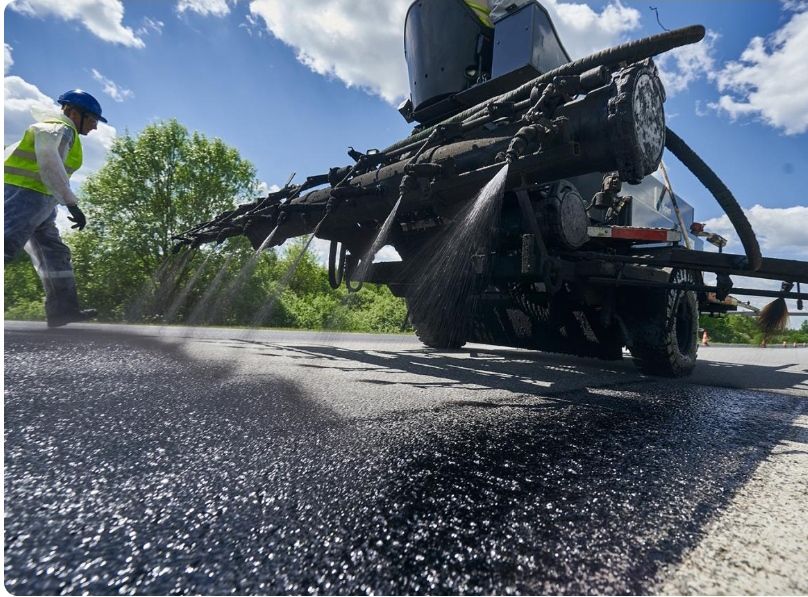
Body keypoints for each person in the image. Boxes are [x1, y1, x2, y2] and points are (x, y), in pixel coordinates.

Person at [4, 89, 106, 327]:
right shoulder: (59, 128)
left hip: (41, 200)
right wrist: (72, 203)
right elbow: (49, 162)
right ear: (72, 112)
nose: (95, 127)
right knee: (5, 244)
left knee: (54, 254)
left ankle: (63, 310)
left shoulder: (62, 131)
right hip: (25, 196)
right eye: (92, 119)